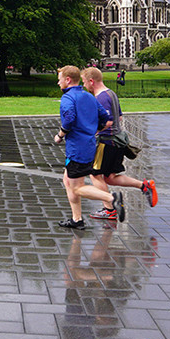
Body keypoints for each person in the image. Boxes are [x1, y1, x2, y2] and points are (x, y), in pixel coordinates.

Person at [82, 66, 158, 220]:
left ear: (91, 81)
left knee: (95, 175)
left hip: (106, 142)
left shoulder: (101, 98)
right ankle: (144, 185)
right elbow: (120, 118)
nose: (84, 86)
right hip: (118, 141)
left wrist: (91, 132)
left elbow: (108, 121)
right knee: (109, 177)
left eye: (84, 82)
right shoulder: (111, 94)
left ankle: (109, 209)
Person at [53, 65, 123, 229]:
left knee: (77, 188)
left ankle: (112, 199)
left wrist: (60, 135)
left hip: (77, 149)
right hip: (89, 145)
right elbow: (105, 117)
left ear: (67, 80)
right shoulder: (89, 96)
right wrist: (93, 130)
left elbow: (69, 119)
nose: (58, 82)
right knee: (67, 180)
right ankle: (77, 220)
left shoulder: (68, 98)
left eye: (59, 79)